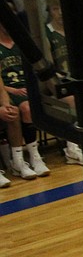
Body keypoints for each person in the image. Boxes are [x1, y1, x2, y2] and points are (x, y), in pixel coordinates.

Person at [0, 22, 49, 179]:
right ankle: (18, 161)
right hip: (10, 89)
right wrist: (10, 91)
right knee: (20, 110)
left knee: (26, 109)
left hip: (26, 87)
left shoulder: (22, 43)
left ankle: (33, 158)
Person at [44, 0, 83, 166]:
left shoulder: (75, 30)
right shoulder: (47, 34)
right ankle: (72, 148)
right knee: (73, 98)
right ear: (49, 12)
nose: (60, 13)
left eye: (62, 8)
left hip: (78, 78)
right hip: (58, 83)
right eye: (55, 9)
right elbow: (48, 69)